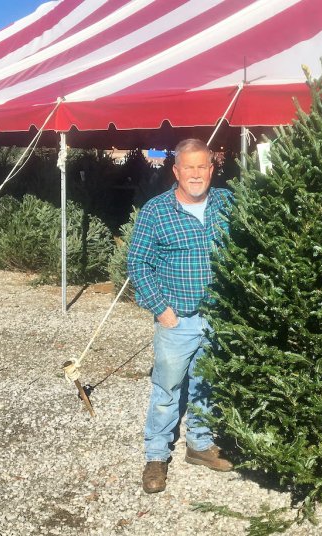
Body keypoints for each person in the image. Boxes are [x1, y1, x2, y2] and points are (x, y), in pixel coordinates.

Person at [127, 138, 233, 494]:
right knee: (168, 388)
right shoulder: (156, 211)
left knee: (208, 383)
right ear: (176, 171)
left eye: (202, 167)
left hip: (219, 316)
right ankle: (156, 456)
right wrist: (161, 309)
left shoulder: (227, 203)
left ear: (211, 169)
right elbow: (137, 263)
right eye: (188, 167)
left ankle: (199, 445)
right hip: (178, 319)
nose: (195, 174)